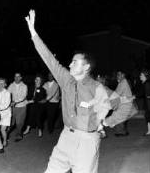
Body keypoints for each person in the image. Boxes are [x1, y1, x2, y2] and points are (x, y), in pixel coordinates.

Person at [25, 9, 110, 173]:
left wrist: (102, 121)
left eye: (74, 62)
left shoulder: (97, 87)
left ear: (86, 67)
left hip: (87, 141)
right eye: (71, 62)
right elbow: (49, 59)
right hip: (66, 137)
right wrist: (33, 32)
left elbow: (120, 103)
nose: (70, 64)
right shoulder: (66, 79)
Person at [101, 71, 138, 137]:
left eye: (119, 74)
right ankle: (120, 132)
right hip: (124, 104)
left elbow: (117, 94)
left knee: (117, 117)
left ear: (123, 75)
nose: (117, 76)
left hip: (125, 104)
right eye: (117, 74)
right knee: (118, 117)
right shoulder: (123, 82)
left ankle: (120, 132)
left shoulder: (123, 82)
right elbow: (117, 94)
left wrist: (108, 99)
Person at [7, 73, 28, 142]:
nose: (16, 78)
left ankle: (19, 135)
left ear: (21, 78)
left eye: (18, 76)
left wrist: (15, 101)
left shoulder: (24, 86)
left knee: (19, 122)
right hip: (12, 107)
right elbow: (7, 93)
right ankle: (6, 134)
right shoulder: (11, 85)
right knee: (10, 122)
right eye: (15, 76)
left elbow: (23, 96)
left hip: (21, 106)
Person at [137, 69, 150, 136]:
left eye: (141, 75)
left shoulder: (147, 83)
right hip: (148, 102)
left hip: (149, 103)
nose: (140, 76)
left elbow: (147, 94)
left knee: (148, 116)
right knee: (147, 116)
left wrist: (135, 96)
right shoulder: (145, 83)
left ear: (145, 76)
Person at [0, 78, 12, 146]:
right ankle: (2, 138)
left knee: (2, 129)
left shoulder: (7, 93)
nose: (1, 84)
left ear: (5, 84)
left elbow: (6, 105)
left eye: (3, 83)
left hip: (6, 113)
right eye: (0, 83)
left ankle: (5, 141)